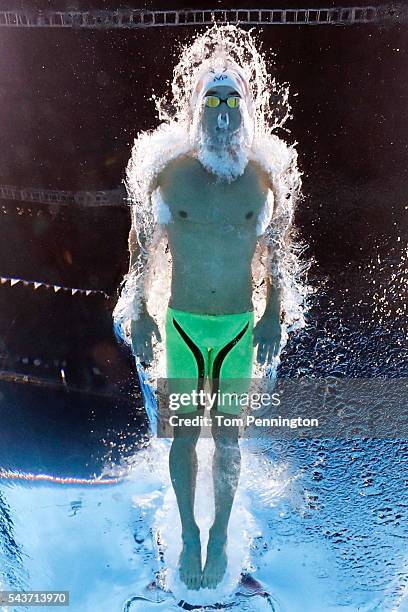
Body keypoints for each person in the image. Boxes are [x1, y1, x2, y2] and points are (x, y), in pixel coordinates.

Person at [128, 65, 283, 590]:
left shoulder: (261, 182)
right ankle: (190, 535)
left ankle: (218, 533)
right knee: (185, 437)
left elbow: (275, 254)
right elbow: (143, 249)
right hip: (184, 327)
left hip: (238, 328)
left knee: (229, 440)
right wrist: (141, 311)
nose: (222, 113)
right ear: (197, 111)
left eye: (231, 101)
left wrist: (272, 315)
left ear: (246, 110)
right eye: (212, 101)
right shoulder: (172, 175)